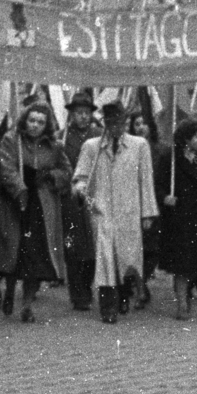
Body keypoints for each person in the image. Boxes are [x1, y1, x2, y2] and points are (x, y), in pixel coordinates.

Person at [0, 101, 71, 322]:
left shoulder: (55, 146)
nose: (35, 125)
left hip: (41, 205)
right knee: (13, 252)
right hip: (15, 203)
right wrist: (20, 188)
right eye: (32, 120)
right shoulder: (12, 139)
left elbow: (66, 171)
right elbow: (6, 168)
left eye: (40, 122)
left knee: (37, 257)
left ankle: (27, 304)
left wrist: (51, 176)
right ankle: (9, 290)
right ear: (25, 120)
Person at [73, 100, 158, 324]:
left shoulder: (139, 146)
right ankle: (108, 307)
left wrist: (147, 213)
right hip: (101, 211)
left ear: (126, 122)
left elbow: (146, 181)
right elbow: (80, 177)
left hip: (129, 211)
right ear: (105, 123)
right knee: (105, 259)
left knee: (127, 258)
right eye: (111, 122)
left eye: (120, 122)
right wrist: (81, 190)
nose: (116, 127)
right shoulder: (92, 147)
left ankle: (123, 296)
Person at [155, 118, 197, 319]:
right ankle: (182, 303)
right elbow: (157, 185)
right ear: (185, 139)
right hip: (178, 219)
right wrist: (165, 198)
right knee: (181, 264)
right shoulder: (170, 159)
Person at [59, 89, 100, 311]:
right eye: (79, 112)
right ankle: (78, 294)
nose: (83, 116)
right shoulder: (62, 137)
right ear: (72, 114)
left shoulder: (99, 135)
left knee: (93, 246)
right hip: (71, 199)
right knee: (73, 247)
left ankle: (87, 285)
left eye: (86, 112)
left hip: (94, 197)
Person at [128, 109, 165, 310]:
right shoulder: (127, 149)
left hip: (157, 205)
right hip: (133, 204)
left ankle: (140, 281)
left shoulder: (161, 150)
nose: (141, 127)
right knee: (137, 248)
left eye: (144, 123)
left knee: (154, 250)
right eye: (137, 124)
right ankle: (140, 288)